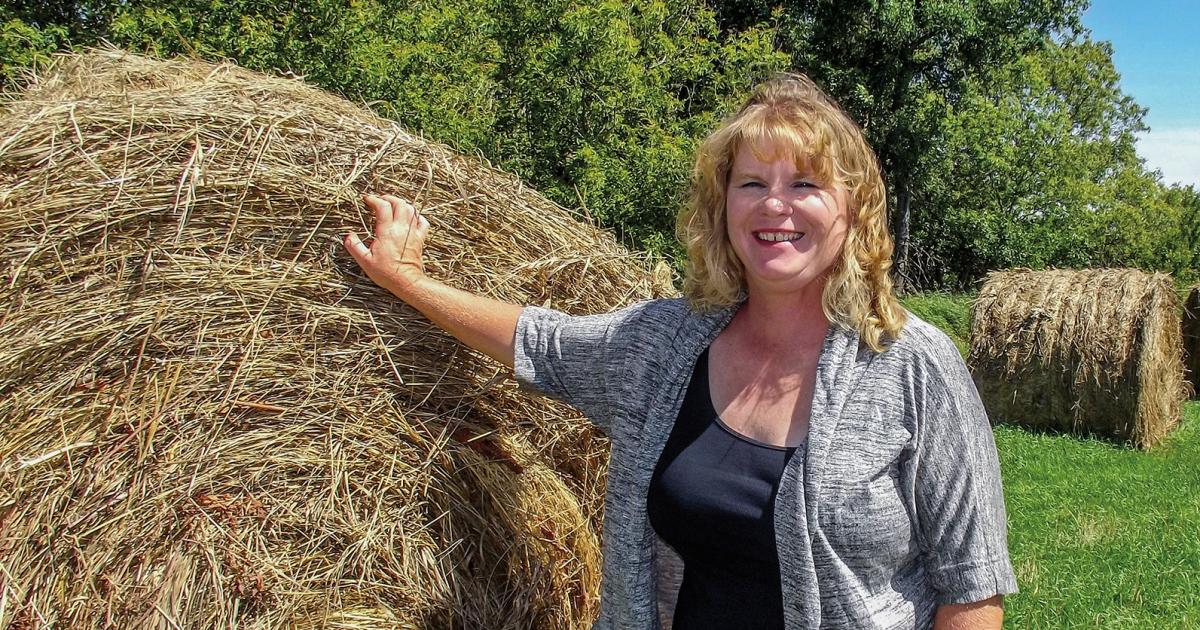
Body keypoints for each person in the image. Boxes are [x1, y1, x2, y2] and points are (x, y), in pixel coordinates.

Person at [343, 73, 1017, 629]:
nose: (774, 206)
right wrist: (409, 281)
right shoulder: (664, 346)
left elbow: (972, 587)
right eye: (751, 183)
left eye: (805, 185)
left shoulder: (913, 363)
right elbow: (541, 343)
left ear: (853, 209)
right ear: (723, 206)